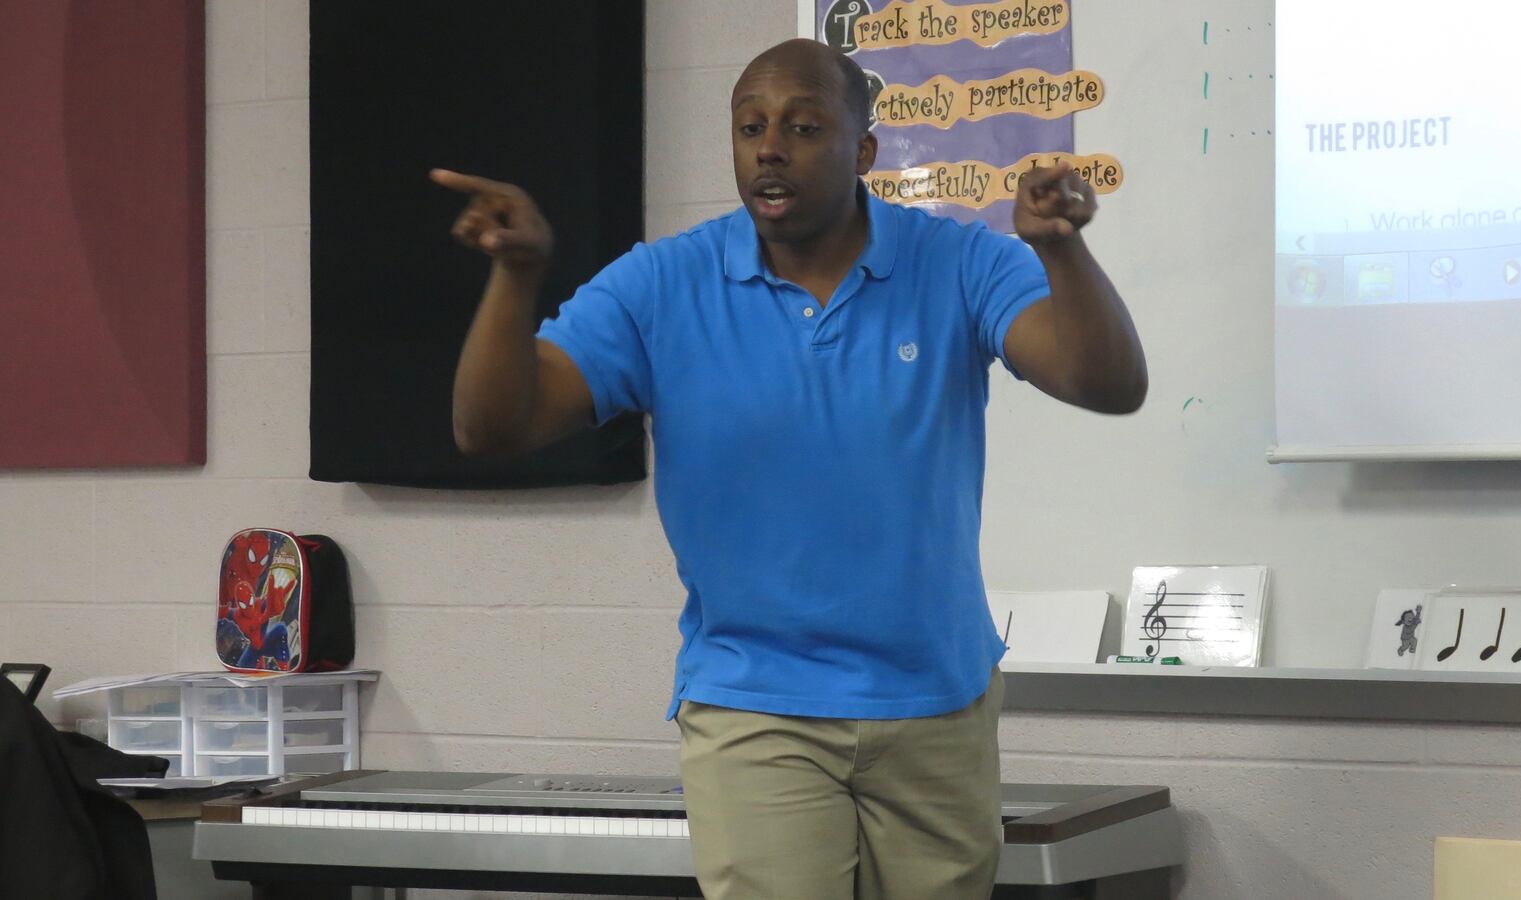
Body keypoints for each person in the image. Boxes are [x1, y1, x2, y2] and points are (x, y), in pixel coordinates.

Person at [435, 38, 1145, 900]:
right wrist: (516, 276)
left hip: (935, 698)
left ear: (864, 151)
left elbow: (1108, 384)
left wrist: (1062, 253)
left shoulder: (959, 261)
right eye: (750, 128)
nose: (769, 148)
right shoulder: (662, 282)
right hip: (755, 701)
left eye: (803, 128)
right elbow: (490, 428)